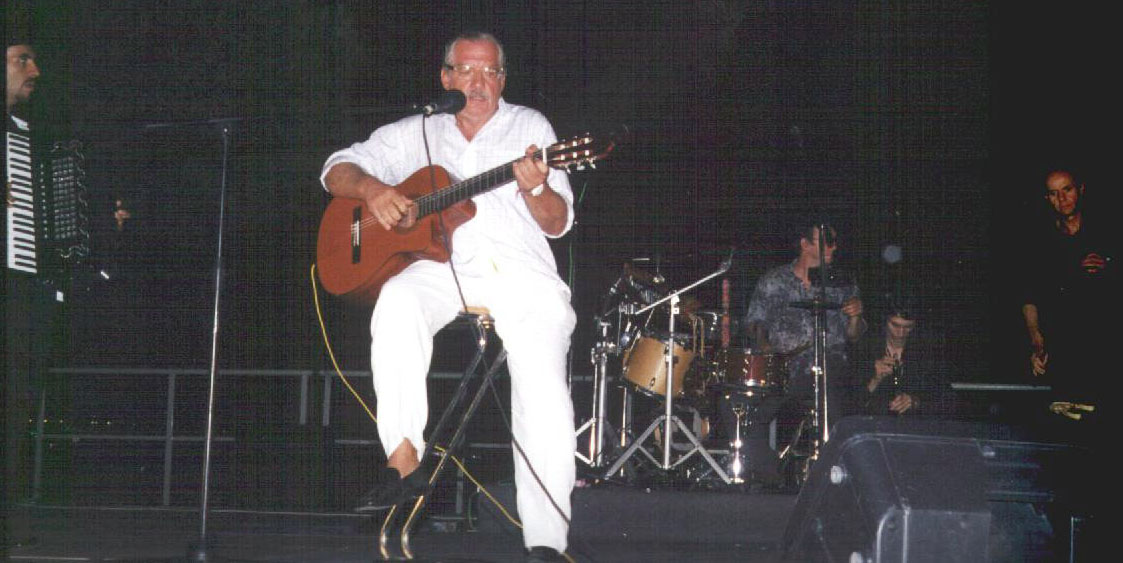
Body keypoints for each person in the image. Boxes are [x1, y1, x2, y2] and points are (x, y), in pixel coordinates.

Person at [320, 32, 575, 562]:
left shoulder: (531, 127)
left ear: (503, 79)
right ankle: (403, 458)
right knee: (397, 300)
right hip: (442, 266)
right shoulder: (417, 130)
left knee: (542, 386)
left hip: (521, 272)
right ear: (446, 77)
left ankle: (546, 541)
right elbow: (335, 167)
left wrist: (535, 186)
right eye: (467, 71)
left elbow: (557, 223)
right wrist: (373, 191)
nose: (478, 83)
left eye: (490, 72)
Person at [732, 220, 866, 485]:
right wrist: (766, 346)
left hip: (828, 367)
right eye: (827, 241)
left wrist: (855, 316)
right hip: (784, 369)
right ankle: (770, 475)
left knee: (833, 394)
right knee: (739, 407)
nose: (834, 247)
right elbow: (754, 322)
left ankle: (836, 477)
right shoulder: (774, 281)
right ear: (805, 244)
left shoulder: (842, 284)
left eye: (835, 242)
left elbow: (854, 335)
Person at [1021, 168, 1114, 424]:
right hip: (1065, 352)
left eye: (1067, 190)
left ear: (1080, 190)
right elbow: (1030, 294)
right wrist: (1036, 341)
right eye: (1053, 193)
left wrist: (1110, 267)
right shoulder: (1039, 240)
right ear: (1047, 198)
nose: (1062, 199)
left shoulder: (1108, 229)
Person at [5, 37, 44, 552]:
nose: (34, 70)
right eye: (21, 60)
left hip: (17, 293)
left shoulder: (24, 134)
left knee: (14, 409)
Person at [852, 297, 953, 417]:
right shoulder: (866, 349)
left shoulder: (926, 353)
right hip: (873, 423)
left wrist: (915, 402)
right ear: (885, 320)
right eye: (895, 325)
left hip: (913, 424)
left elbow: (948, 400)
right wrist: (875, 380)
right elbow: (850, 404)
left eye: (907, 327)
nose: (900, 333)